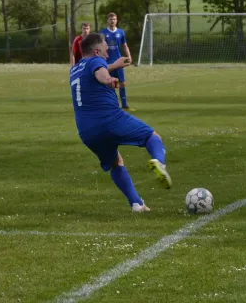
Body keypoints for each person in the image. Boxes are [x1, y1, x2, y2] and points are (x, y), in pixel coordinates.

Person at [69, 32, 172, 213]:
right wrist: (109, 78)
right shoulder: (96, 62)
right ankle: (159, 162)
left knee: (116, 162)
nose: (107, 54)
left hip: (86, 131)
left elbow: (96, 69)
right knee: (151, 136)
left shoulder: (75, 69)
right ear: (96, 51)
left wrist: (113, 66)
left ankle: (137, 204)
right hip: (109, 119)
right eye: (105, 51)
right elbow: (100, 72)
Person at [99, 13, 134, 110]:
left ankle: (124, 105)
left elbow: (124, 45)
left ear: (116, 20)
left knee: (122, 82)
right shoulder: (103, 33)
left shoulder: (121, 32)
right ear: (107, 20)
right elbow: (100, 47)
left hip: (119, 62)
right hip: (108, 62)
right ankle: (111, 105)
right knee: (109, 83)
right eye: (110, 19)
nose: (112, 21)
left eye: (114, 19)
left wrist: (129, 56)